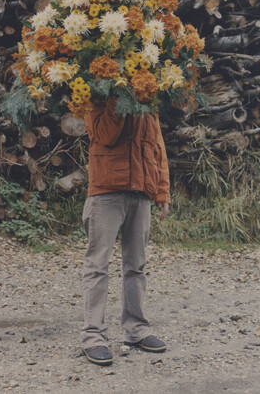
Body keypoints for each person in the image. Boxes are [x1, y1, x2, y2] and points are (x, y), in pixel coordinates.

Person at [80, 96, 171, 366]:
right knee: (98, 266)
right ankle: (93, 337)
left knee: (136, 266)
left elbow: (158, 146)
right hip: (106, 192)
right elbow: (105, 135)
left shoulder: (148, 96)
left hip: (141, 191)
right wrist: (119, 98)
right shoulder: (96, 94)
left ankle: (137, 330)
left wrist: (162, 190)